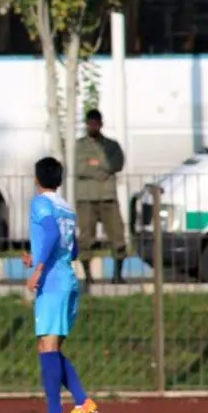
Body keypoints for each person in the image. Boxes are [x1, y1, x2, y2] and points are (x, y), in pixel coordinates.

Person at [25, 157, 98, 413]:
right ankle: (80, 402)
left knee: (48, 347)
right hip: (67, 278)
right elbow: (73, 249)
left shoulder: (41, 203)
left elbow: (53, 234)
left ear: (36, 178)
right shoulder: (66, 207)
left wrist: (39, 268)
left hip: (52, 282)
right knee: (48, 348)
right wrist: (36, 256)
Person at [76, 109, 127, 285]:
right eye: (90, 124)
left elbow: (117, 163)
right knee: (85, 237)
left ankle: (118, 275)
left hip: (107, 197)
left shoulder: (111, 145)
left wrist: (97, 163)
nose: (93, 127)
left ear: (101, 124)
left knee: (117, 235)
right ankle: (87, 276)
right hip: (86, 198)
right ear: (86, 124)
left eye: (96, 124)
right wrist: (103, 168)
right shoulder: (79, 146)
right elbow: (78, 167)